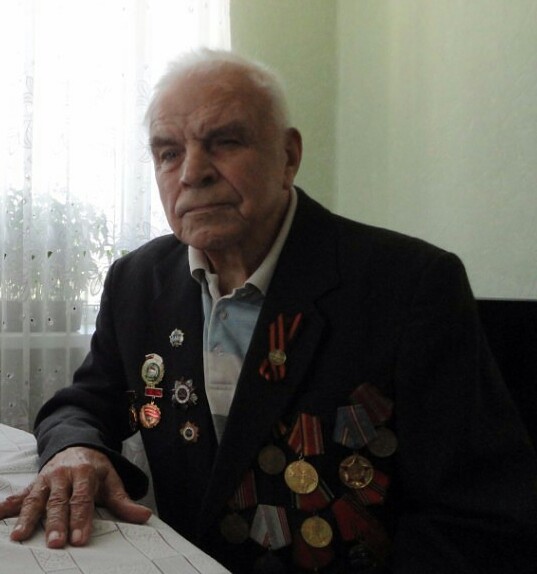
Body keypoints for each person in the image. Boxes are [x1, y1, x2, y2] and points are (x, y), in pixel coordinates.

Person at [1, 48, 537, 573]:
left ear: (289, 157)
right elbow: (86, 403)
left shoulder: (411, 284)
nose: (191, 172)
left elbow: (474, 518)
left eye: (224, 142)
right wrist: (74, 449)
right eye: (168, 153)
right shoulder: (137, 281)